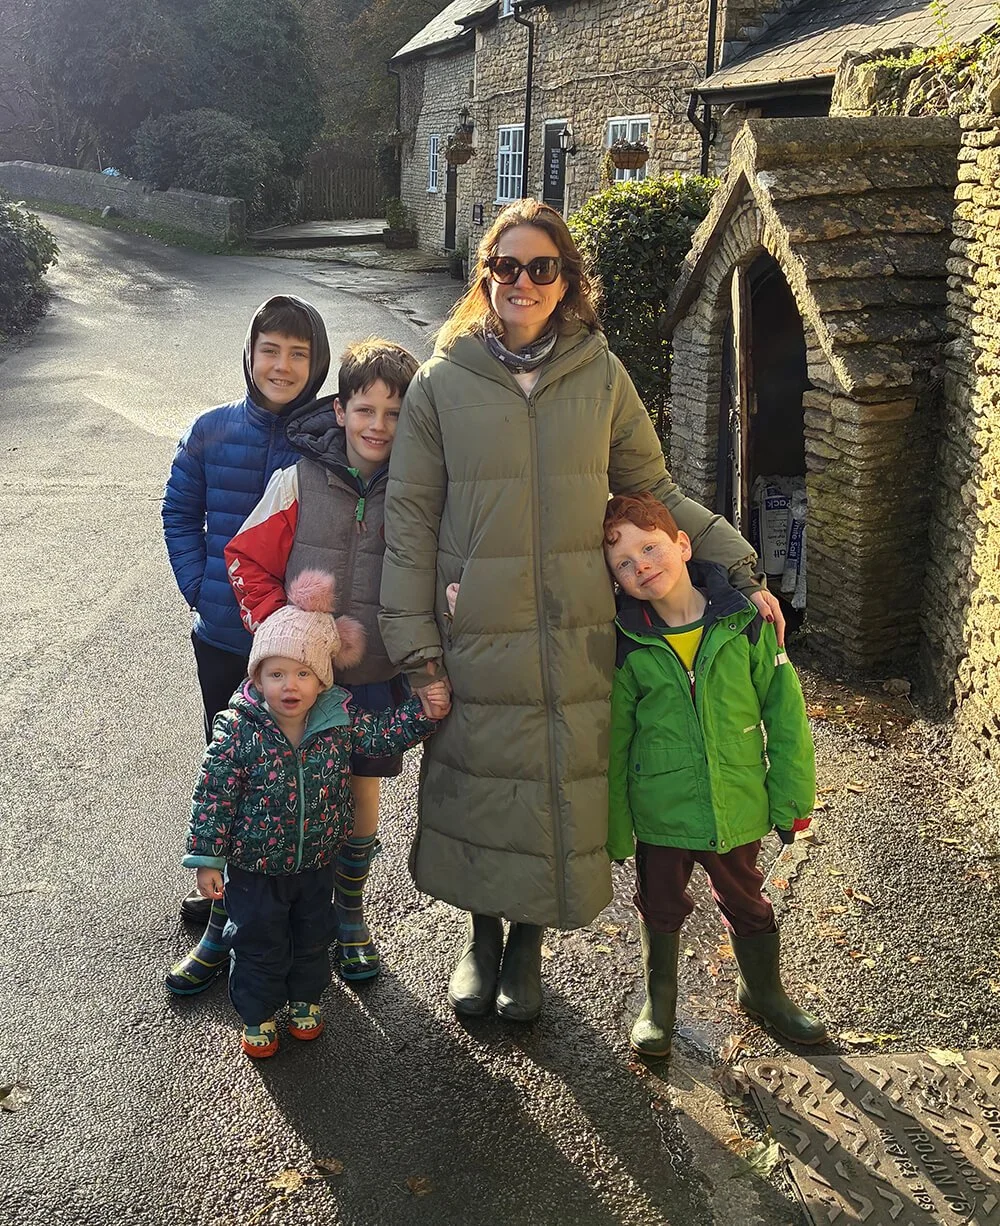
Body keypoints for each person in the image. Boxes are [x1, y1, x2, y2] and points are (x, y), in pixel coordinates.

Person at [378, 198, 784, 1023]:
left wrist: (739, 561)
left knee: (554, 785)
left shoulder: (599, 374)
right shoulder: (439, 382)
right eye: (508, 267)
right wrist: (418, 649)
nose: (523, 282)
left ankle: (527, 941)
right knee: (482, 783)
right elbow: (410, 521)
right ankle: (479, 937)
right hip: (477, 624)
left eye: (542, 267)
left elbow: (651, 490)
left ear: (565, 282)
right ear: (484, 276)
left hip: (576, 626)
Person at [182, 570, 444, 1058]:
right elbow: (213, 796)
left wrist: (421, 713)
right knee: (258, 944)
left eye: (303, 674)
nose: (290, 685)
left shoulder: (338, 720)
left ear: (322, 681)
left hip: (316, 862)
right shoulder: (239, 730)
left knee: (311, 939)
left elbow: (380, 736)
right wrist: (207, 858)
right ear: (256, 678)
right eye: (276, 673)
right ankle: (258, 1015)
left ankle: (305, 1001)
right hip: (254, 868)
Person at [221, 339, 420, 982]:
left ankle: (349, 912)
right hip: (298, 686)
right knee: (274, 794)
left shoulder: (421, 488)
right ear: (340, 409)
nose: (378, 426)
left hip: (373, 675)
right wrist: (283, 645)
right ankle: (249, 917)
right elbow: (246, 558)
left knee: (362, 791)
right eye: (366, 409)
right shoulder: (298, 480)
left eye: (395, 414)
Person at [603, 492, 825, 1056]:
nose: (642, 566)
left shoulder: (744, 622)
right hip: (661, 811)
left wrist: (791, 797)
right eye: (623, 564)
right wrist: (615, 822)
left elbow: (786, 713)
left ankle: (764, 991)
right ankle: (659, 1003)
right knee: (659, 905)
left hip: (736, 803)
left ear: (682, 544)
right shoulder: (628, 642)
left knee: (747, 901)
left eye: (650, 548)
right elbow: (617, 739)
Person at [163, 293, 330, 962]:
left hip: (297, 653)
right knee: (227, 765)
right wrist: (198, 587)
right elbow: (179, 512)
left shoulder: (325, 441)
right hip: (225, 637)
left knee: (292, 775)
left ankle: (285, 900)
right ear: (250, 354)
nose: (282, 365)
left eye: (298, 353)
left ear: (315, 364)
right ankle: (219, 887)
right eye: (271, 350)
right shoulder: (210, 429)